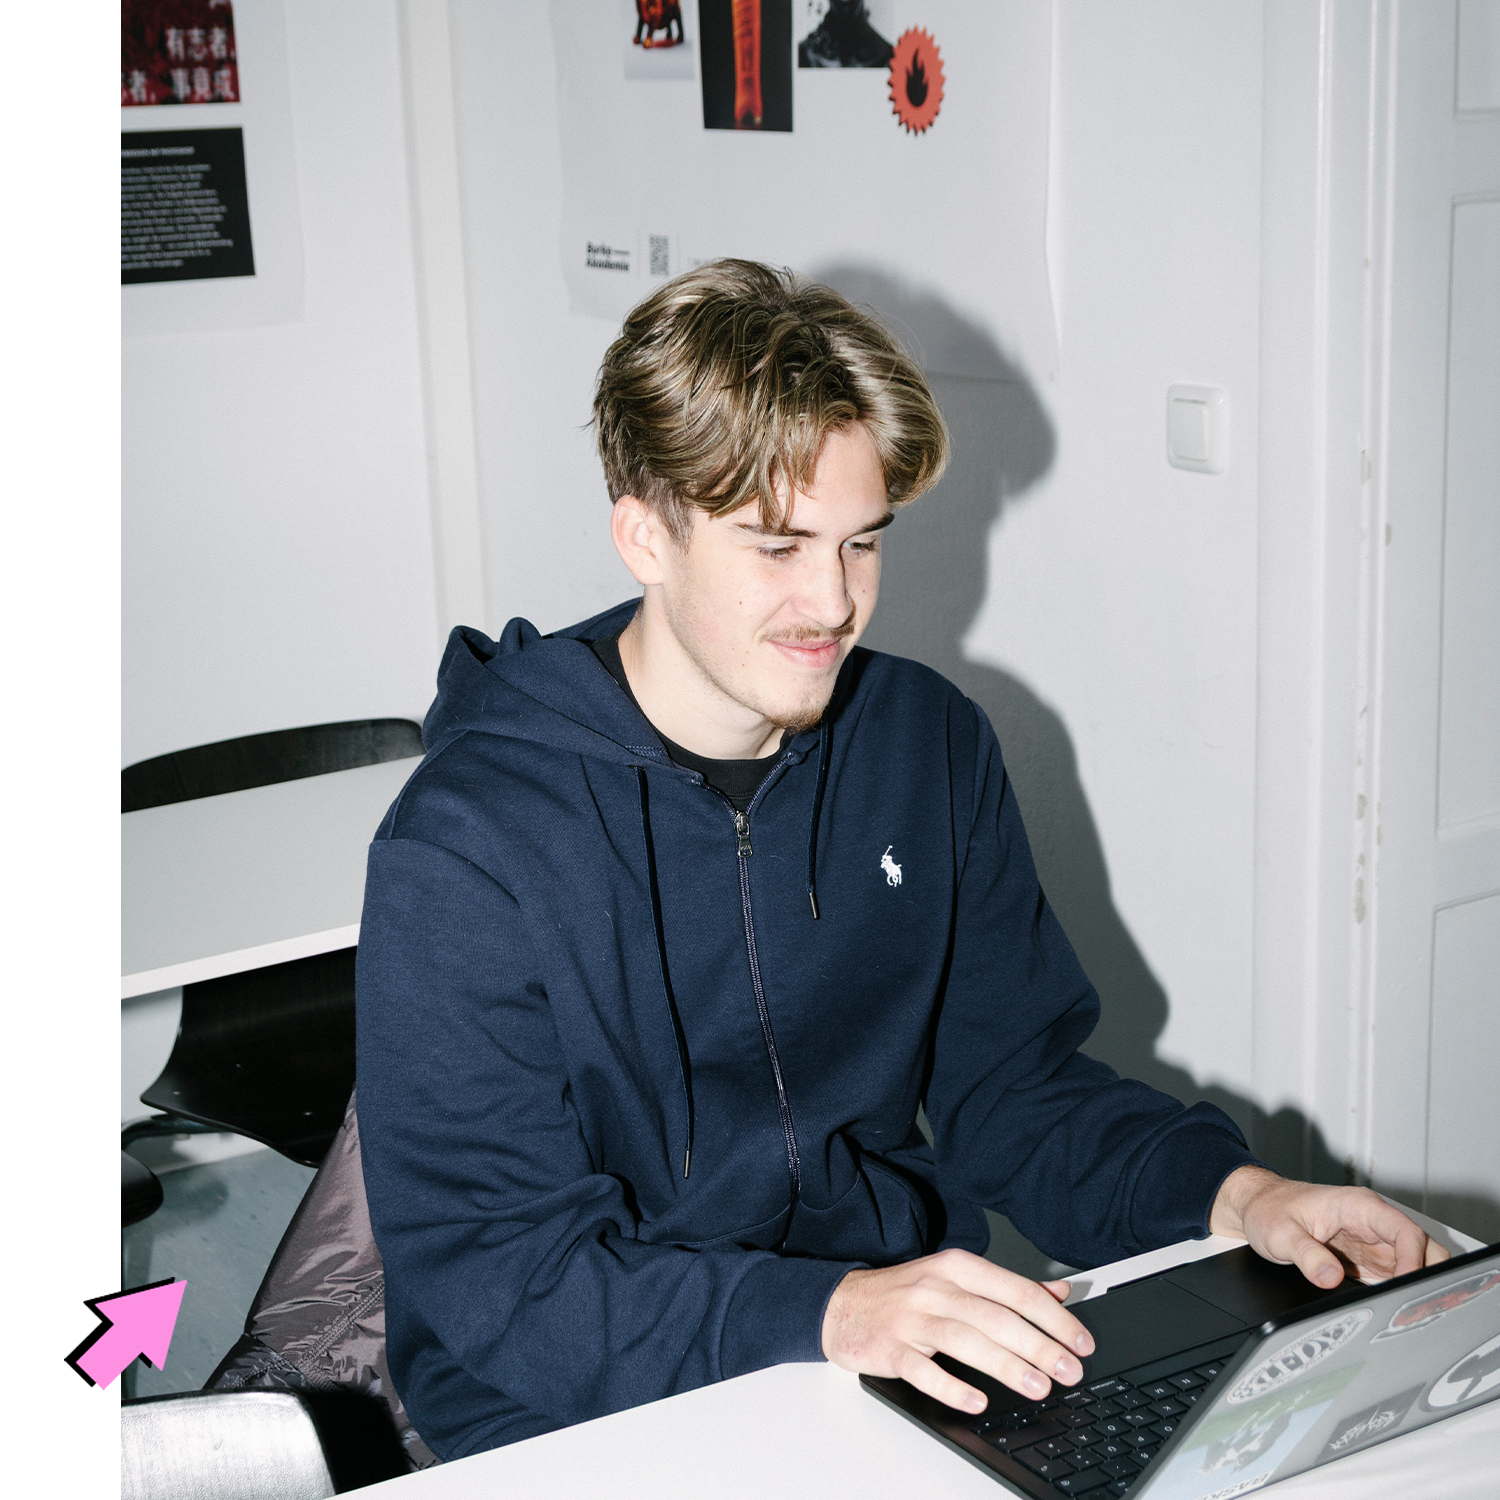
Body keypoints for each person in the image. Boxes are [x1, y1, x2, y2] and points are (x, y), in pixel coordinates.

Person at [354, 260, 1447, 1462]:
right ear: (645, 536)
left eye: (861, 544)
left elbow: (1014, 1093)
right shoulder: (467, 843)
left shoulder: (925, 743)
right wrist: (826, 1314)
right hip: (572, 1407)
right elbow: (505, 1275)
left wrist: (1237, 1199)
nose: (833, 602)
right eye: (779, 548)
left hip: (882, 1350)